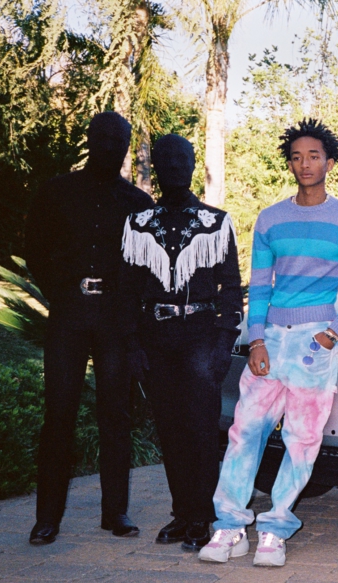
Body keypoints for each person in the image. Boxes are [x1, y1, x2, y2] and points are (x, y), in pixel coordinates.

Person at [198, 119, 338, 566]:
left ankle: (275, 528)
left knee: (302, 439)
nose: (305, 164)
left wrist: (332, 333)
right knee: (244, 431)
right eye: (297, 157)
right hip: (271, 340)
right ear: (290, 165)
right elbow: (259, 287)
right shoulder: (271, 219)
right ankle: (230, 526)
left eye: (314, 156)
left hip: (316, 345)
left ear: (329, 163)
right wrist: (256, 340)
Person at [24, 112, 154, 545]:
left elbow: (145, 266)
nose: (111, 147)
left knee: (115, 414)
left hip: (115, 321)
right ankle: (47, 518)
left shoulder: (138, 203)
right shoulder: (56, 191)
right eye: (103, 138)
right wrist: (62, 293)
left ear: (126, 146)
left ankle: (115, 512)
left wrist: (128, 311)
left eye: (120, 141)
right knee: (58, 414)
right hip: (69, 317)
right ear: (90, 140)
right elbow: (35, 249)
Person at [118, 134, 242, 551]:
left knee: (202, 429)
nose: (174, 166)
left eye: (182, 159)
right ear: (155, 166)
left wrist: (224, 342)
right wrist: (133, 345)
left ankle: (202, 515)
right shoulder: (139, 224)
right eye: (166, 159)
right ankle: (181, 513)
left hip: (201, 338)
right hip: (155, 339)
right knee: (169, 429)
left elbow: (230, 288)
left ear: (193, 164)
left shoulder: (215, 222)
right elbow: (127, 292)